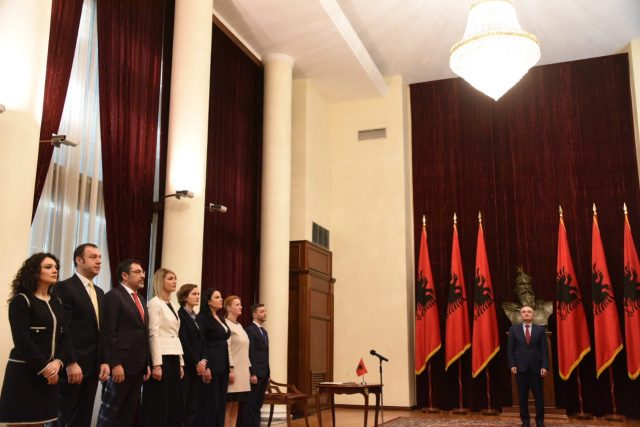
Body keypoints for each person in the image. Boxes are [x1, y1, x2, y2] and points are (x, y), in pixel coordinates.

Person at [0, 253, 70, 426]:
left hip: (50, 374)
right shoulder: (21, 300)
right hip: (24, 373)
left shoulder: (57, 301)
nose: (55, 270)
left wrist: (58, 363)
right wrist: (45, 369)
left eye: (56, 267)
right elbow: (22, 340)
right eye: (48, 267)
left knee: (39, 422)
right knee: (20, 423)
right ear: (35, 271)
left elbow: (64, 337)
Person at [55, 243, 110, 427]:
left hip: (93, 367)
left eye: (100, 257)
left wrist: (104, 361)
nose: (99, 261)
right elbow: (63, 329)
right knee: (63, 418)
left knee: (83, 418)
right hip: (73, 366)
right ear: (79, 260)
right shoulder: (64, 287)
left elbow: (102, 331)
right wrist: (70, 362)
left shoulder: (100, 292)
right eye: (93, 257)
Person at [98, 259, 151, 427]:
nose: (143, 275)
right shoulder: (114, 296)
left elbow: (143, 334)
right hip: (120, 366)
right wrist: (115, 363)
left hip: (138, 367)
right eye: (137, 272)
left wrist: (146, 364)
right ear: (124, 275)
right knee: (110, 414)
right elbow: (109, 332)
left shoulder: (141, 299)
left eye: (143, 272)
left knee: (128, 413)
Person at [141, 268, 185, 427]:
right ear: (160, 281)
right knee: (158, 402)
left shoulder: (171, 304)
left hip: (174, 356)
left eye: (175, 278)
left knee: (172, 401)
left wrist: (180, 362)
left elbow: (175, 335)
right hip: (161, 357)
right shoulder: (155, 303)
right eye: (170, 278)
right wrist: (156, 364)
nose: (174, 281)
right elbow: (153, 334)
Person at [508, 305, 549, 427]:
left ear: (533, 314)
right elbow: (510, 350)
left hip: (537, 368)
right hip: (520, 368)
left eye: (529, 312)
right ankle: (525, 421)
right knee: (522, 397)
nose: (526, 313)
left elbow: (544, 350)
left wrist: (545, 366)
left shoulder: (540, 330)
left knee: (539, 397)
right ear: (521, 314)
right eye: (524, 312)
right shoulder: (514, 329)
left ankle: (540, 421)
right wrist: (512, 364)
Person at [195, 288, 230, 427]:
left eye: (221, 296)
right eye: (217, 297)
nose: (221, 299)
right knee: (210, 404)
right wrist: (206, 366)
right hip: (212, 366)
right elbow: (201, 342)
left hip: (223, 366)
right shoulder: (202, 318)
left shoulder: (220, 318)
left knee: (221, 404)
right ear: (208, 301)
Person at [177, 284, 207, 427]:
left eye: (198, 294)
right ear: (184, 297)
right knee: (183, 404)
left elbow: (203, 341)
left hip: (199, 366)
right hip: (188, 366)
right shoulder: (180, 315)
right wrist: (196, 362)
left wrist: (204, 360)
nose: (197, 296)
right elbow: (184, 342)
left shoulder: (197, 317)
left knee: (193, 405)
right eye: (194, 294)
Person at [240, 303, 270, 427]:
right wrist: (252, 373)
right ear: (254, 314)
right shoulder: (250, 330)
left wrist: (268, 373)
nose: (265, 313)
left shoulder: (264, 331)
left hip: (264, 373)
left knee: (258, 404)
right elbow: (250, 353)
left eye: (265, 311)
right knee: (250, 404)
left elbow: (265, 354)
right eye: (261, 311)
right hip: (255, 373)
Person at [223, 296, 251, 427]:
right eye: (237, 304)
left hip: (243, 371)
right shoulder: (225, 324)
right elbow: (227, 348)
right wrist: (231, 369)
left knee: (236, 403)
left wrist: (249, 370)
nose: (241, 307)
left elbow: (245, 349)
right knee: (228, 403)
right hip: (233, 370)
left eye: (240, 304)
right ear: (229, 307)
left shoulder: (239, 325)